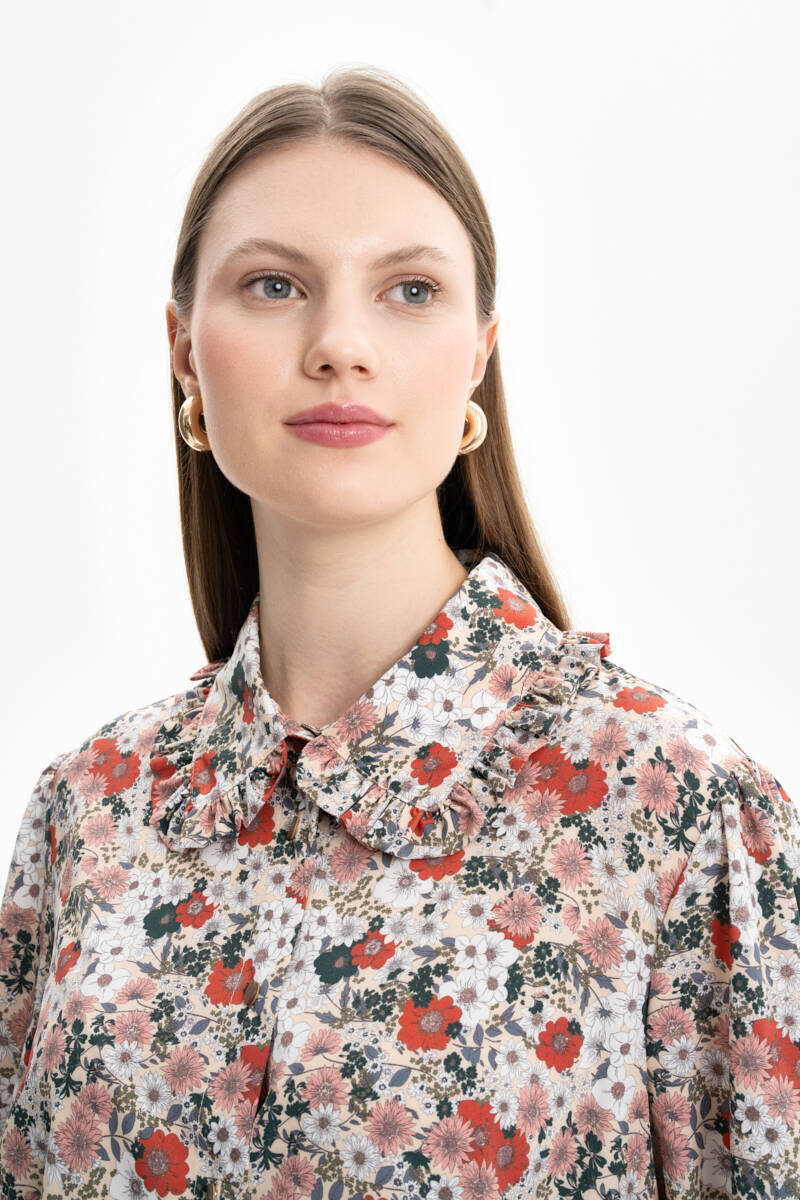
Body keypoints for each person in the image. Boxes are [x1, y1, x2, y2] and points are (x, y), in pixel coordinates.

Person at [0, 65, 795, 1200]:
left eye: (409, 290)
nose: (339, 343)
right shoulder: (90, 812)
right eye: (273, 285)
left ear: (478, 353)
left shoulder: (672, 808)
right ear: (183, 349)